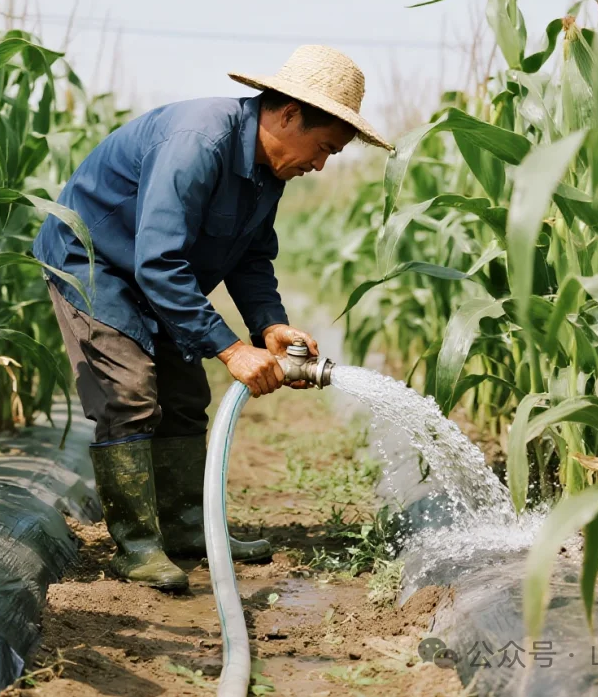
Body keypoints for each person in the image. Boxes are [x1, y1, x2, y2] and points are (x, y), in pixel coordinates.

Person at [33, 44, 391, 590]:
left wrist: (268, 326)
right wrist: (230, 349)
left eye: (332, 157)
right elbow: (158, 261)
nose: (319, 165)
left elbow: (249, 256)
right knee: (130, 393)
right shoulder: (199, 142)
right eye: (322, 149)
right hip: (94, 261)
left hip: (154, 270)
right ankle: (135, 547)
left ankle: (184, 533)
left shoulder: (269, 169)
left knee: (183, 398)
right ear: (289, 113)